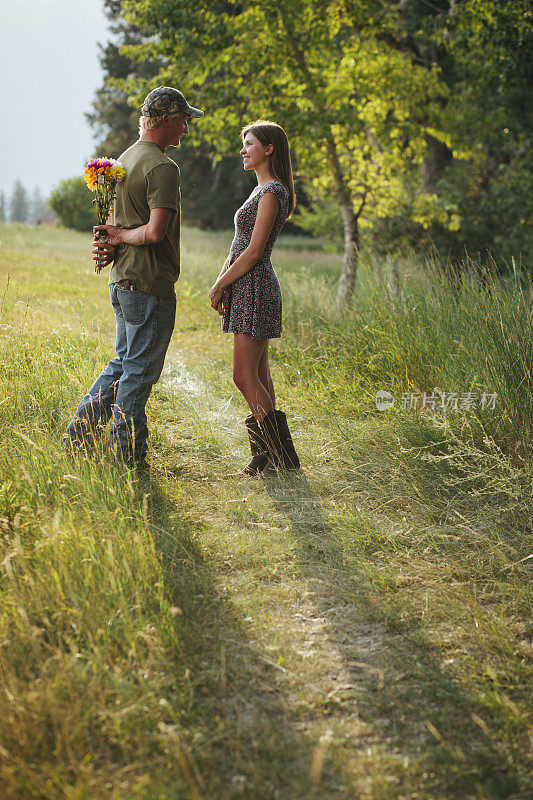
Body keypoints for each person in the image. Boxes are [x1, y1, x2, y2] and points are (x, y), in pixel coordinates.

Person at [64, 86, 203, 467]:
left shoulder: (123, 160)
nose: (186, 130)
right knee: (138, 375)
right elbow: (155, 232)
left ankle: (77, 438)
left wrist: (113, 238)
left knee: (123, 364)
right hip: (149, 284)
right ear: (167, 119)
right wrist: (122, 236)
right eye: (183, 121)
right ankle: (127, 458)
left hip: (123, 282)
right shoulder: (162, 167)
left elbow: (110, 224)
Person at [208, 120, 300, 476]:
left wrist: (219, 286)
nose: (243, 150)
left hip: (256, 287)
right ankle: (267, 457)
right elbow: (239, 248)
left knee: (243, 376)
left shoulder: (272, 191)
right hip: (247, 287)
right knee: (259, 373)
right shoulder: (261, 189)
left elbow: (253, 252)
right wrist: (222, 281)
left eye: (249, 144)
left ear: (269, 149)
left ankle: (279, 456)